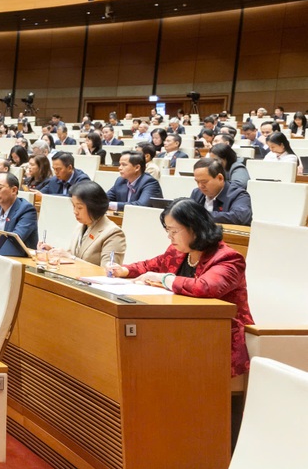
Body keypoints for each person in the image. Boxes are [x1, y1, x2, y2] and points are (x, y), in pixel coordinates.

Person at [107, 199, 253, 379]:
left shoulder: (228, 258)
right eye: (167, 231)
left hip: (219, 338)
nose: (170, 237)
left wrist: (164, 278)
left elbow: (205, 287)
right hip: (182, 329)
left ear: (195, 228)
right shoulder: (178, 251)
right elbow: (151, 265)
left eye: (174, 231)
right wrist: (124, 270)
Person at [40, 181, 125, 267]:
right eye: (74, 206)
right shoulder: (81, 225)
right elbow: (73, 254)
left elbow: (108, 271)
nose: (75, 212)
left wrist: (71, 258)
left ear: (94, 207)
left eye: (79, 207)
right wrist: (53, 252)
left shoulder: (113, 233)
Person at [190, 158, 253, 225]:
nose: (200, 186)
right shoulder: (197, 193)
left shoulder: (239, 195)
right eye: (197, 182)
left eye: (204, 182)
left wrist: (201, 215)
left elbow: (240, 217)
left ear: (220, 178)